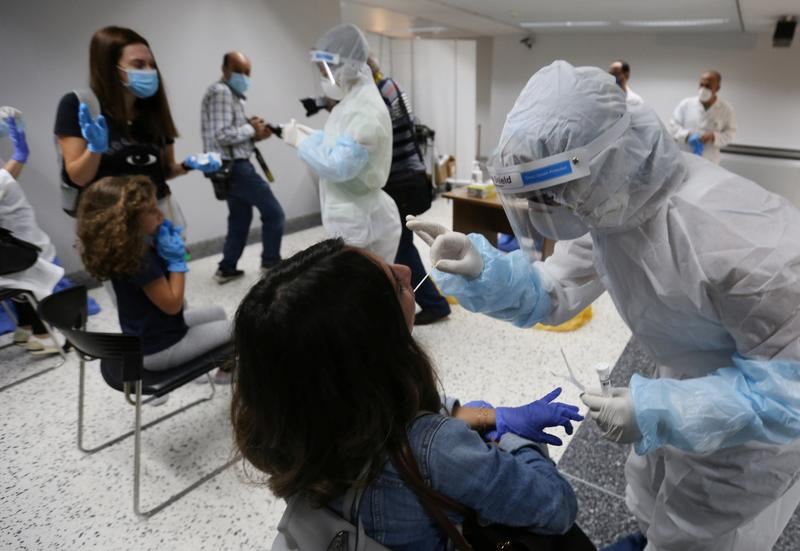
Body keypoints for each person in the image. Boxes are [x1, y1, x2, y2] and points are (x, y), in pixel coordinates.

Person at [408, 60, 800, 551]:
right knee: (654, 502)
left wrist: (658, 408)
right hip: (682, 383)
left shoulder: (739, 236)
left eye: (549, 193)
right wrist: (481, 270)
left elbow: (790, 391)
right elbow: (554, 292)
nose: (547, 207)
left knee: (703, 533)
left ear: (603, 160)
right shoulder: (608, 203)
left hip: (754, 434)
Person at [230, 238, 585, 548]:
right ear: (374, 340)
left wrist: (488, 416)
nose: (406, 269)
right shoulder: (439, 451)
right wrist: (516, 442)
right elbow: (557, 508)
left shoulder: (290, 429)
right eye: (394, 283)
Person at [54, 26, 217, 225]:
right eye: (138, 65)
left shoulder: (153, 110)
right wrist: (94, 150)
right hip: (112, 220)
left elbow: (162, 171)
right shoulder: (80, 106)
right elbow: (79, 178)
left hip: (158, 212)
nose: (149, 72)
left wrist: (188, 165)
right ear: (110, 68)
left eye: (151, 65)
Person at [76, 175, 231, 379]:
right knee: (240, 328)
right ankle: (225, 375)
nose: (160, 214)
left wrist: (170, 250)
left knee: (218, 312)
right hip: (161, 350)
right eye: (150, 210)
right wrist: (177, 262)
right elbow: (173, 304)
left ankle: (224, 370)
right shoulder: (139, 260)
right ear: (126, 222)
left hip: (152, 334)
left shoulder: (124, 248)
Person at [281, 24, 401, 264]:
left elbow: (340, 166)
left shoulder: (364, 107)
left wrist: (302, 143)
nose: (325, 77)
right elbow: (341, 144)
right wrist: (314, 138)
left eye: (326, 70)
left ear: (347, 64)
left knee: (360, 283)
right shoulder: (352, 101)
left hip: (359, 221)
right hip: (355, 213)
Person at [366, 54, 450, 325]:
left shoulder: (379, 94)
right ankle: (419, 299)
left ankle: (434, 304)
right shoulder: (391, 87)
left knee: (402, 247)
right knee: (402, 244)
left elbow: (375, 132)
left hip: (400, 181)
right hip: (407, 178)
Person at [201, 51, 285, 284]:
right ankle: (271, 265)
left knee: (239, 218)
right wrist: (251, 128)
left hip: (228, 168)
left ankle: (226, 268)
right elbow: (221, 135)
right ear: (225, 69)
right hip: (237, 168)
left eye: (247, 72)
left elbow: (229, 136)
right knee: (274, 214)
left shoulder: (231, 95)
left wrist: (255, 134)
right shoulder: (222, 92)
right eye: (238, 71)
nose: (243, 76)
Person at [0, 112, 64, 354]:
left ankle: (25, 328)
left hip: (13, 245)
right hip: (19, 245)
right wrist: (20, 154)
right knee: (35, 279)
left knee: (23, 280)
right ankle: (44, 335)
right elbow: (4, 181)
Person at [668, 70, 736, 165]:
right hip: (685, 157)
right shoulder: (686, 104)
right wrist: (687, 135)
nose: (703, 89)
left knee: (707, 173)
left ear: (717, 88)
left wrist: (713, 136)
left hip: (709, 159)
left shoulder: (726, 109)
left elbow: (730, 134)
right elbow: (672, 126)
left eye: (708, 86)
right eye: (701, 85)